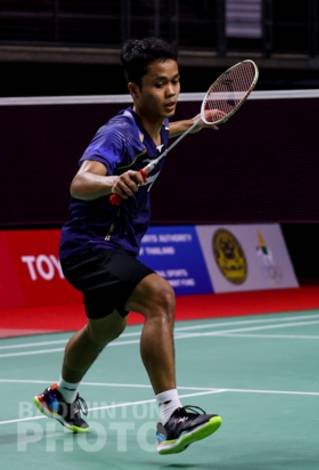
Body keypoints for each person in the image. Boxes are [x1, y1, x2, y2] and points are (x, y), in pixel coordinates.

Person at [33, 38, 223, 454]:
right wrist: (111, 182)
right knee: (160, 297)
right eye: (158, 85)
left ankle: (61, 397)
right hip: (89, 247)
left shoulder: (154, 128)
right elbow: (80, 181)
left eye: (175, 82)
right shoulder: (118, 133)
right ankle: (171, 417)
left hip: (114, 247)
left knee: (107, 327)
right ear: (135, 90)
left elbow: (162, 134)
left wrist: (196, 122)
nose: (171, 92)